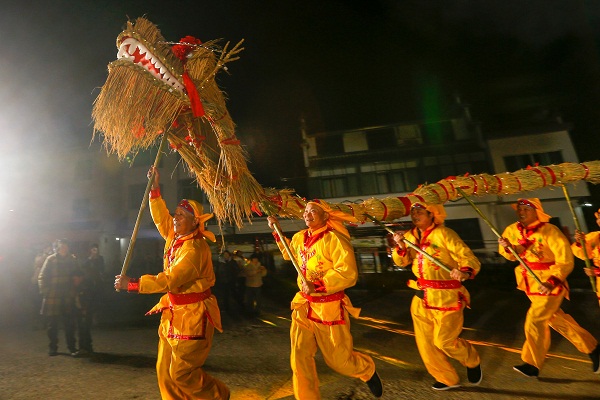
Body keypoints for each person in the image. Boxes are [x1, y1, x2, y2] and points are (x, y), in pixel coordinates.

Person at [114, 166, 229, 400]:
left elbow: (170, 279)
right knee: (164, 373)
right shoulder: (175, 236)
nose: (175, 218)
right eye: (176, 214)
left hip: (194, 316)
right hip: (173, 313)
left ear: (195, 222)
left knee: (181, 374)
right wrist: (155, 188)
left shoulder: (194, 249)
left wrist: (133, 284)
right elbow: (160, 218)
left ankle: (219, 395)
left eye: (181, 215)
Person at [267, 200, 383, 399]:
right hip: (304, 305)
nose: (307, 214)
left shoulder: (334, 239)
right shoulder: (299, 237)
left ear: (325, 215)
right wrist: (276, 230)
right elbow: (290, 255)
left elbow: (348, 273)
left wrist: (319, 285)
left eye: (313, 211)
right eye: (306, 211)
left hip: (329, 307)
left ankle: (366, 369)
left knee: (339, 361)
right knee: (299, 357)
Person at [498, 198, 600, 377]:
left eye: (526, 209)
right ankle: (593, 348)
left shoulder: (550, 231)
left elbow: (565, 260)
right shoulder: (512, 230)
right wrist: (508, 248)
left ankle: (532, 363)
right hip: (529, 282)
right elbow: (511, 256)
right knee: (555, 320)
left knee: (535, 319)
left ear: (537, 211)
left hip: (550, 283)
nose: (521, 212)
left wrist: (552, 281)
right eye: (519, 209)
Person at [391, 202, 482, 391]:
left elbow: (467, 257)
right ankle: (447, 378)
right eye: (413, 212)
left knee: (444, 341)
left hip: (447, 297)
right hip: (421, 297)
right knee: (426, 345)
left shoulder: (445, 234)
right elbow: (401, 262)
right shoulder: (409, 236)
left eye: (420, 212)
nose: (415, 215)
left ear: (432, 214)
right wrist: (400, 245)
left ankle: (471, 360)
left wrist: (464, 271)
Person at [38, 239, 80, 356]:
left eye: (65, 246)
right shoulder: (51, 259)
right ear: (57, 248)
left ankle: (72, 347)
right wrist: (45, 291)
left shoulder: (72, 259)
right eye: (62, 247)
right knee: (52, 324)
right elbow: (42, 276)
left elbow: (78, 274)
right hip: (53, 295)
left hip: (68, 295)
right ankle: (53, 347)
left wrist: (75, 289)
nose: (64, 249)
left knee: (70, 323)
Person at [76, 244, 105, 356]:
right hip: (86, 292)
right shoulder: (85, 262)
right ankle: (85, 346)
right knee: (83, 324)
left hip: (92, 290)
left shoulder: (99, 260)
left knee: (85, 323)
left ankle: (86, 346)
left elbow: (101, 270)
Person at [573, 208, 600, 311]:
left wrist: (597, 272)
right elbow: (585, 255)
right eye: (599, 218)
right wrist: (581, 242)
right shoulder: (595, 237)